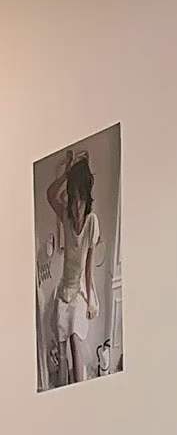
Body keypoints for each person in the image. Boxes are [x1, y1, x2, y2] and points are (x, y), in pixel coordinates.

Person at [46, 149, 100, 384]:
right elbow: (50, 195)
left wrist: (90, 299)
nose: (77, 205)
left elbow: (88, 267)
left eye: (81, 198)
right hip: (63, 291)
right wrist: (66, 174)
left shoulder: (92, 222)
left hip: (79, 291)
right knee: (61, 348)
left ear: (87, 198)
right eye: (73, 197)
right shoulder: (66, 217)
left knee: (76, 341)